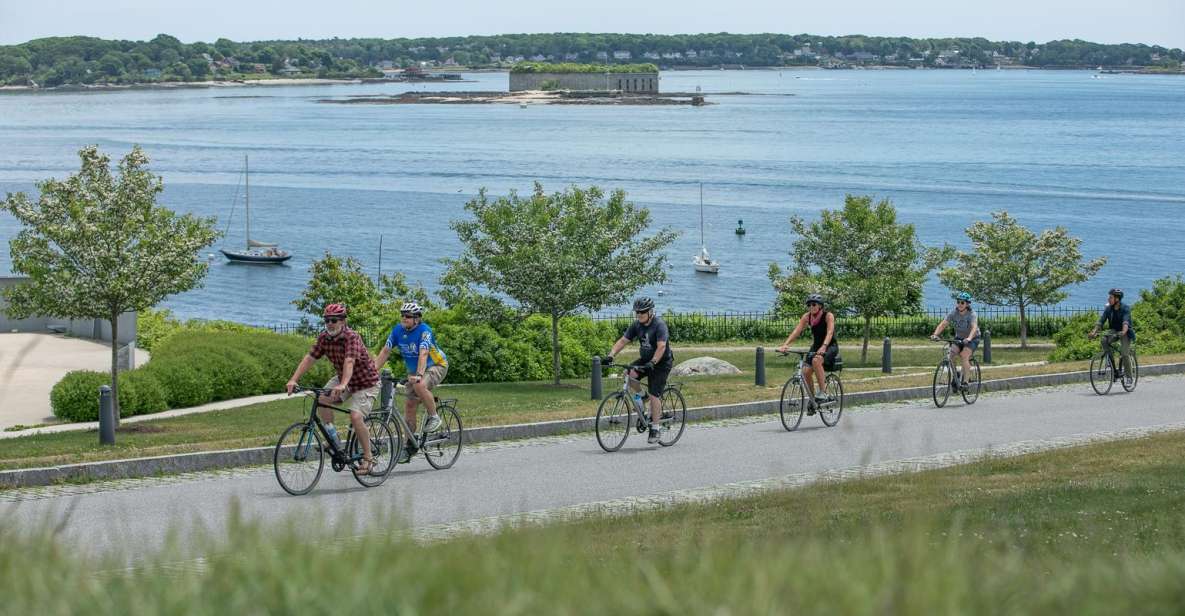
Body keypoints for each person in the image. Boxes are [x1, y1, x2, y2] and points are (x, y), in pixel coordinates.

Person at [285, 303, 380, 474]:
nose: (330, 323)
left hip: (366, 382)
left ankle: (368, 458)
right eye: (327, 320)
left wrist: (343, 385)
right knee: (320, 399)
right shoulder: (324, 338)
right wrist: (293, 379)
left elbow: (349, 361)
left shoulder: (352, 337)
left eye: (334, 320)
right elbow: (310, 358)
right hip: (344, 379)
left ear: (343, 321)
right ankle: (333, 438)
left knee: (356, 416)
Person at [373, 302, 448, 463]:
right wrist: (372, 371)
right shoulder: (397, 331)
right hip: (414, 371)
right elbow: (386, 351)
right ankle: (410, 445)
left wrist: (420, 375)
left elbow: (424, 353)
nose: (404, 318)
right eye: (403, 315)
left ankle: (434, 416)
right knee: (409, 404)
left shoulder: (425, 331)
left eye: (408, 316)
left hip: (436, 365)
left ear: (417, 319)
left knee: (419, 385)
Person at [607, 297, 674, 444]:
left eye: (642, 312)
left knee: (654, 394)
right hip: (645, 361)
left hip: (661, 363)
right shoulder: (637, 325)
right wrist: (611, 355)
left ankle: (655, 429)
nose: (639, 315)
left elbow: (662, 346)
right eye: (637, 312)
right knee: (628, 374)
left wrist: (654, 362)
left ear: (650, 312)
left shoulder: (659, 325)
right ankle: (643, 396)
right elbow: (623, 340)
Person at [778, 293, 839, 408]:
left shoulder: (828, 316)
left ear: (820, 306)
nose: (811, 307)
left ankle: (823, 392)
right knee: (805, 371)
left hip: (830, 345)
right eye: (809, 305)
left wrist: (824, 346)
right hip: (816, 346)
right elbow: (797, 331)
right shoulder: (807, 317)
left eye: (814, 304)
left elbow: (830, 332)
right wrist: (785, 345)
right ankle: (813, 399)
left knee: (816, 361)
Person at [930, 292, 981, 389]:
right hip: (959, 337)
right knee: (951, 354)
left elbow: (974, 327)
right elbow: (943, 324)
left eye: (962, 302)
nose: (960, 304)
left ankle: (965, 382)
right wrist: (935, 334)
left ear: (967, 304)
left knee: (964, 355)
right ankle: (956, 374)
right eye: (958, 302)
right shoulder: (954, 313)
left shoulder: (972, 314)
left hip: (973, 338)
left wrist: (969, 338)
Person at [1089, 288, 1134, 375]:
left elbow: (1126, 322)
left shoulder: (1125, 308)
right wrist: (1094, 332)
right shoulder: (1109, 309)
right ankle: (1114, 369)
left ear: (1117, 299)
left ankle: (1129, 376)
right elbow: (1101, 322)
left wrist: (1124, 331)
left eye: (1111, 297)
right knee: (1103, 340)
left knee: (1124, 354)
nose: (1108, 299)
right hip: (1113, 331)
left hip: (1125, 332)